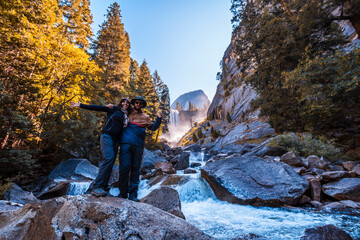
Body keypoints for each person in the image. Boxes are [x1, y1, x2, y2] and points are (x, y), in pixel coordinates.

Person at [69, 98, 131, 196]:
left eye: (127, 103)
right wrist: (81, 105)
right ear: (120, 103)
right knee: (109, 158)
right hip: (107, 135)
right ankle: (97, 186)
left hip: (116, 140)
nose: (125, 103)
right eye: (124, 101)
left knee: (111, 162)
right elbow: (98, 108)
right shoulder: (114, 109)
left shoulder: (127, 115)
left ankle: (104, 185)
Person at [113, 96, 162, 201]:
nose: (138, 105)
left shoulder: (145, 117)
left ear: (142, 105)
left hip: (138, 146)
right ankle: (122, 193)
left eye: (140, 103)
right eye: (136, 103)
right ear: (134, 103)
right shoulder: (126, 113)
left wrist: (159, 118)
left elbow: (153, 127)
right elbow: (117, 110)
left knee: (135, 170)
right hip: (125, 144)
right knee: (124, 168)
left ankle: (133, 195)